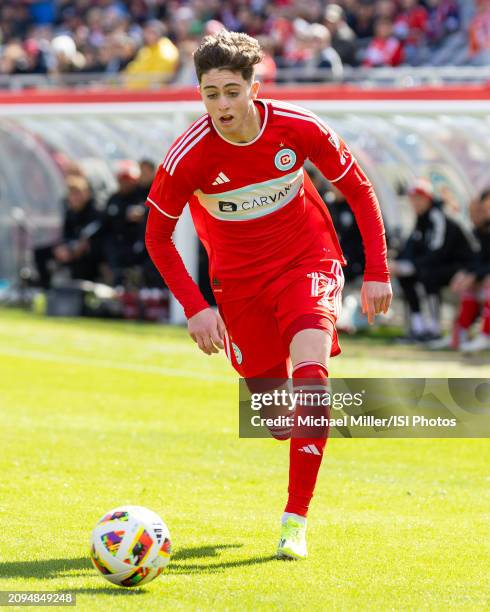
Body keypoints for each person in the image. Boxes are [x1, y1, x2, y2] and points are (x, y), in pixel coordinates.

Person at [145, 30, 391, 560]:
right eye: (211, 94)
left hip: (308, 260)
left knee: (311, 377)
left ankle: (294, 521)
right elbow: (156, 237)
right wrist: (197, 307)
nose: (222, 105)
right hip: (238, 287)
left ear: (254, 87)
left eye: (232, 91)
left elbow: (359, 189)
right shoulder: (189, 156)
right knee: (280, 421)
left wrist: (378, 269)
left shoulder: (298, 127)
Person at [389, 179, 474, 342]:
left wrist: (411, 265)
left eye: (418, 198)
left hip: (459, 266)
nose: (414, 202)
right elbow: (411, 247)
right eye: (412, 199)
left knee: (428, 275)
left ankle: (434, 328)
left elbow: (438, 251)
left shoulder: (437, 216)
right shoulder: (421, 219)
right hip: (437, 265)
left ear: (428, 199)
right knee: (406, 275)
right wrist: (399, 264)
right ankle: (418, 326)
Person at [34, 174, 103, 289]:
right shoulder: (70, 213)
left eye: (78, 193)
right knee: (40, 252)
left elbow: (90, 238)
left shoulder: (95, 212)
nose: (75, 198)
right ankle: (46, 288)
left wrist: (73, 251)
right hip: (71, 248)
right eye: (72, 194)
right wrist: (61, 248)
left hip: (89, 255)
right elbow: (66, 235)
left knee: (81, 262)